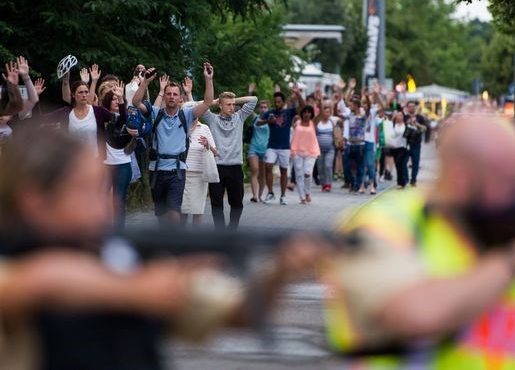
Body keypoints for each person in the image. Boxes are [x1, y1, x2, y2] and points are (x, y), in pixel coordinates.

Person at [0, 127, 324, 370]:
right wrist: (135, 289)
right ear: (35, 200)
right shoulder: (15, 261)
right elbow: (36, 282)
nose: (106, 204)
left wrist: (280, 270)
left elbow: (239, 316)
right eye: (87, 191)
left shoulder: (119, 258)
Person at [324, 115, 515, 369]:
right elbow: (415, 313)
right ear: (461, 180)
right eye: (510, 184)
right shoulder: (384, 225)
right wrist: (514, 260)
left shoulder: (506, 229)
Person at [131, 63, 215, 225]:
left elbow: (207, 102)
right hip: (156, 170)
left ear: (180, 99)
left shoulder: (187, 115)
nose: (171, 96)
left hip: (177, 171)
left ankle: (175, 245)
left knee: (174, 212)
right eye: (168, 94)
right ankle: (165, 245)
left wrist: (208, 79)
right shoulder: (156, 114)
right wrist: (145, 82)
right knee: (162, 216)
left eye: (175, 94)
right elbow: (135, 102)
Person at [202, 91, 258, 230]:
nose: (232, 107)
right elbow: (198, 106)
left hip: (235, 166)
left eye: (233, 104)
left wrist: (233, 99)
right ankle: (220, 232)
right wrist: (213, 102)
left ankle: (232, 229)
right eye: (228, 104)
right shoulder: (212, 119)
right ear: (220, 105)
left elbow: (253, 99)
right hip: (217, 166)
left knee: (237, 203)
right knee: (216, 203)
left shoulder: (239, 117)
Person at [39, 80, 124, 160]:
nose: (84, 95)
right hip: (72, 162)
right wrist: (35, 99)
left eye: (86, 92)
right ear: (73, 94)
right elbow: (41, 119)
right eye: (80, 92)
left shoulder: (98, 111)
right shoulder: (65, 112)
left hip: (95, 161)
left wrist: (120, 99)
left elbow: (121, 121)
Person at [258, 87, 305, 205]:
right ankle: (270, 193)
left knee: (284, 171)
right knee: (268, 166)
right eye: (276, 101)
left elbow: (303, 108)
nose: (277, 104)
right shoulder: (270, 113)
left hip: (284, 147)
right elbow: (258, 123)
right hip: (272, 146)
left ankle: (283, 196)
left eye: (279, 102)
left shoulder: (289, 112)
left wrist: (298, 94)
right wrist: (268, 121)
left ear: (283, 102)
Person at [101, 85, 137, 234]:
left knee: (119, 200)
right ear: (108, 102)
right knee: (102, 199)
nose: (116, 101)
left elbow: (123, 119)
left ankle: (118, 234)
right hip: (105, 166)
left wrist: (122, 99)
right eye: (113, 99)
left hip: (123, 165)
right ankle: (102, 230)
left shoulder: (127, 116)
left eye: (118, 99)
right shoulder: (101, 117)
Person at [181, 114, 217, 226]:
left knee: (198, 210)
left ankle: (196, 240)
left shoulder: (204, 128)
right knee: (182, 209)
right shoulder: (179, 126)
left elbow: (216, 153)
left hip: (199, 175)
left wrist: (208, 145)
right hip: (181, 173)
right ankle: (179, 239)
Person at [291, 105, 320, 204]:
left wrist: (320, 102)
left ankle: (307, 193)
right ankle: (302, 197)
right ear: (302, 113)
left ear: (311, 114)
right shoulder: (297, 123)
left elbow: (320, 115)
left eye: (309, 112)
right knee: (299, 175)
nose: (306, 114)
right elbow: (299, 106)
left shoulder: (313, 123)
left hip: (311, 152)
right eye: (305, 112)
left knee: (307, 173)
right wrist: (297, 95)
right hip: (297, 152)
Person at [314, 102, 340, 192]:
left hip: (330, 149)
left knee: (328, 165)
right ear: (322, 112)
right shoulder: (318, 123)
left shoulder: (332, 121)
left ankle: (328, 184)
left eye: (329, 112)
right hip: (319, 149)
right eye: (325, 112)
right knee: (320, 167)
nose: (327, 114)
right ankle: (323, 184)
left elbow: (343, 121)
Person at [248, 99, 270, 202]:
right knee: (255, 170)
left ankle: (261, 195)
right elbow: (248, 108)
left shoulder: (270, 120)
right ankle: (254, 196)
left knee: (263, 173)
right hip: (254, 147)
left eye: (265, 107)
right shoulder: (255, 118)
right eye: (261, 107)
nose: (263, 109)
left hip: (265, 149)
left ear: (268, 109)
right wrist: (250, 92)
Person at [343, 96, 366, 193]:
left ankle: (357, 185)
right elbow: (337, 114)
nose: (349, 107)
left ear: (356, 106)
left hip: (360, 144)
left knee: (359, 167)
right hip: (350, 144)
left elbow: (368, 111)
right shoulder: (349, 115)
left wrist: (367, 98)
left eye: (351, 105)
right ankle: (352, 182)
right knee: (347, 166)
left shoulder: (363, 116)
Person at [404, 101, 427, 186]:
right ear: (407, 108)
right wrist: (408, 122)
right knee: (403, 162)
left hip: (416, 142)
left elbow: (425, 128)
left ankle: (413, 180)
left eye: (413, 106)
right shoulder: (404, 117)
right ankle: (405, 178)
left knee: (415, 162)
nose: (412, 108)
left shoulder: (420, 117)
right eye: (410, 106)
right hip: (405, 142)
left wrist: (417, 124)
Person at [390, 111, 408, 189]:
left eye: (401, 115)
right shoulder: (393, 125)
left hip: (403, 147)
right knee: (398, 165)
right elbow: (389, 132)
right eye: (398, 115)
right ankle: (402, 181)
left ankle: (401, 182)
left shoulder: (406, 125)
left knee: (400, 162)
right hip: (394, 147)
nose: (400, 116)